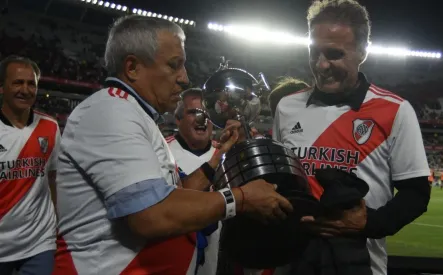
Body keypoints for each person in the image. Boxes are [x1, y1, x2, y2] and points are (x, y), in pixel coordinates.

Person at [53, 15, 292, 275]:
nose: (184, 78)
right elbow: (152, 215)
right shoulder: (111, 111)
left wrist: (217, 158)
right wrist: (241, 198)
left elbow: (170, 195)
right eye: (174, 65)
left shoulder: (133, 113)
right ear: (133, 67)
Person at [272, 1, 431, 274]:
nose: (321, 65)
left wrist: (369, 224)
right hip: (291, 260)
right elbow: (278, 181)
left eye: (334, 54)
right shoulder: (286, 107)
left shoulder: (395, 110)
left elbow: (416, 193)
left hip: (359, 264)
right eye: (314, 52)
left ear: (363, 52)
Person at [0, 56, 60, 275]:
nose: (25, 90)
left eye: (31, 83)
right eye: (17, 83)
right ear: (2, 87)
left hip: (39, 242)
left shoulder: (51, 127)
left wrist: (58, 225)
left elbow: (53, 179)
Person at [166, 88, 221, 275]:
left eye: (206, 113)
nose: (202, 118)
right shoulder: (161, 152)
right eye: (193, 112)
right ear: (178, 119)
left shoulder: (227, 154)